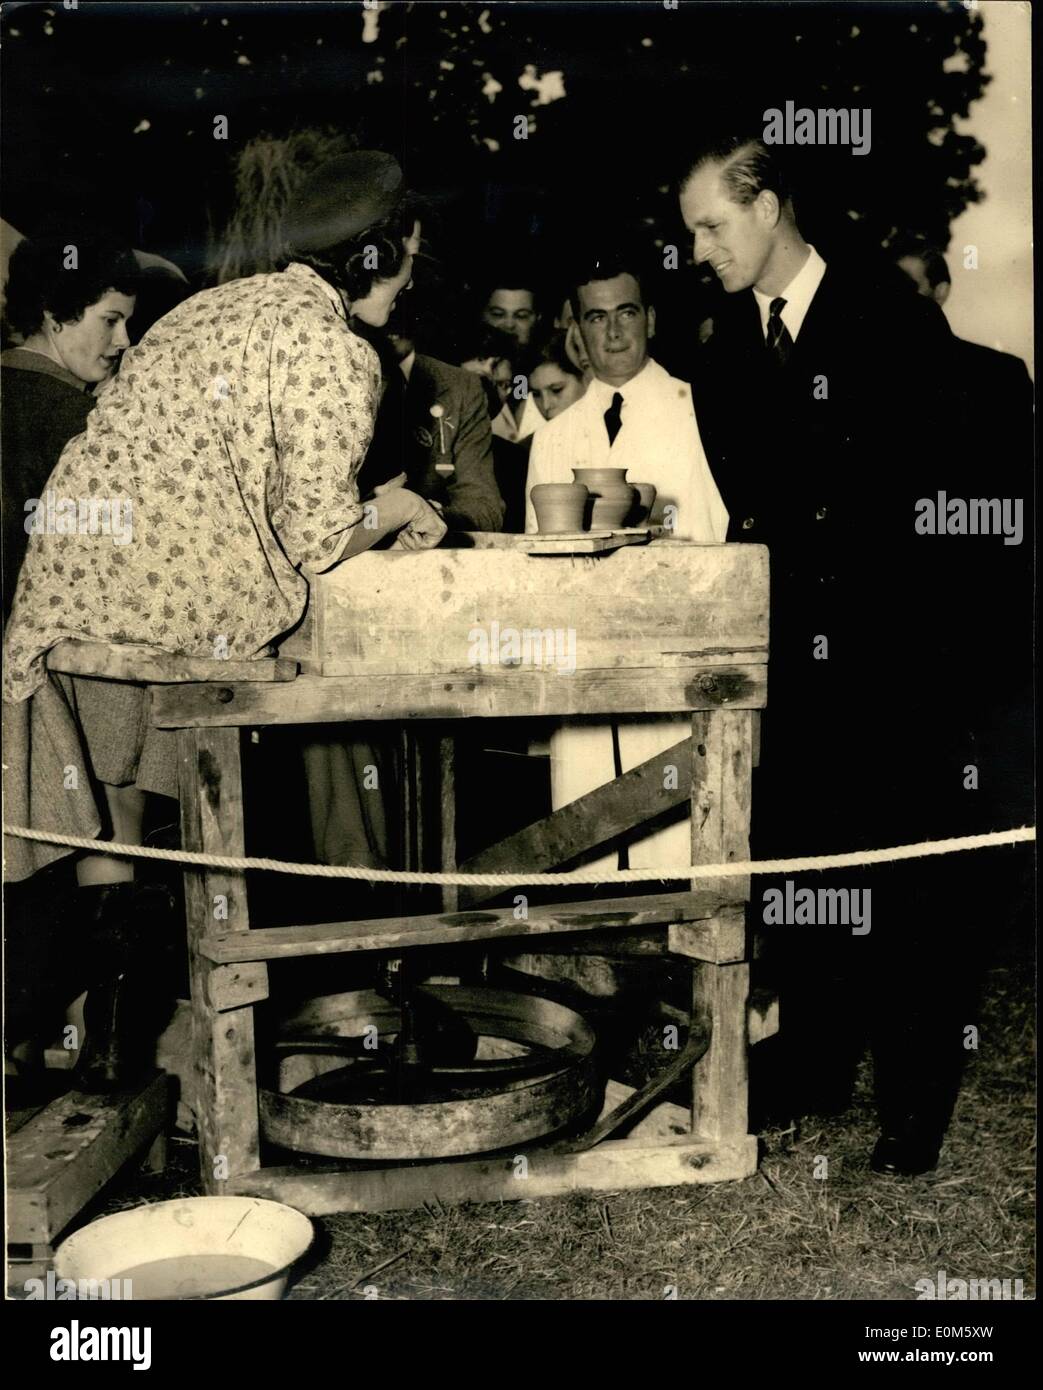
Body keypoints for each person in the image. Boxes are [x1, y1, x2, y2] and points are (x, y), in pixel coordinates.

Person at [2, 152, 445, 1090]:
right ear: (370, 258)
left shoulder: (213, 306)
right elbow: (322, 536)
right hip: (166, 604)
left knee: (114, 816)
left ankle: (118, 1061)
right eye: (404, 263)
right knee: (180, 815)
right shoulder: (335, 350)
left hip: (69, 590)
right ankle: (178, 1054)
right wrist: (398, 508)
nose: (408, 287)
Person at [678, 131, 1005, 1175]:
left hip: (897, 664)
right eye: (688, 230)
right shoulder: (719, 344)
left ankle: (912, 1105)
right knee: (803, 878)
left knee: (907, 895)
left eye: (710, 225)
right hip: (794, 666)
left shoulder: (887, 318)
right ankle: (814, 1063)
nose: (696, 249)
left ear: (767, 207)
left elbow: (933, 503)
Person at [523, 247, 729, 874]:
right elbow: (536, 567)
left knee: (676, 837)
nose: (612, 331)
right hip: (584, 659)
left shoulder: (701, 413)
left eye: (626, 312)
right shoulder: (555, 436)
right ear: (576, 330)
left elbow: (719, 537)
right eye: (595, 317)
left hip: (674, 652)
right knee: (584, 830)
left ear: (652, 319)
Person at [528, 330, 587, 423]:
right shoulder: (539, 437)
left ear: (587, 379)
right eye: (536, 394)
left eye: (556, 390)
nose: (546, 405)